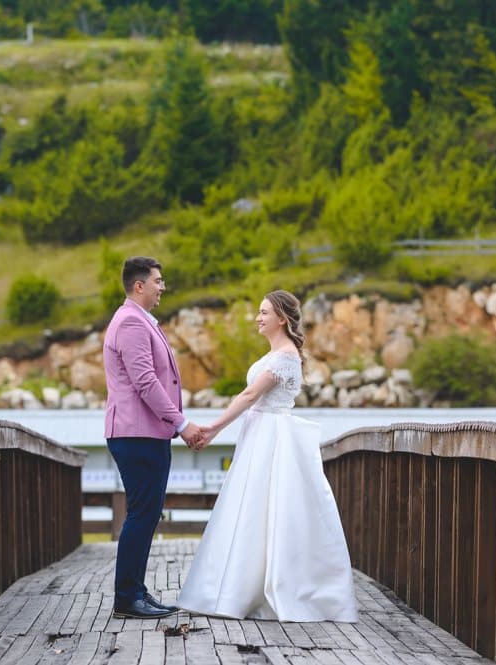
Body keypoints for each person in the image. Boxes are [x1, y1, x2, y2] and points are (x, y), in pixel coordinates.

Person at [177, 290, 359, 623]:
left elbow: (250, 395)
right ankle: (239, 585)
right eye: (259, 312)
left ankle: (264, 589)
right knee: (251, 509)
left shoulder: (286, 357)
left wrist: (213, 428)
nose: (258, 318)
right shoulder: (276, 354)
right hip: (258, 435)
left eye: (264, 312)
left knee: (269, 508)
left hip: (272, 439)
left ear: (282, 319)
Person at [103, 256, 203, 619]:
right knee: (142, 513)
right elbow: (145, 381)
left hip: (145, 433)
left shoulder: (139, 319)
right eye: (158, 281)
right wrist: (181, 423)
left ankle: (136, 590)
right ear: (139, 285)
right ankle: (127, 598)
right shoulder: (131, 321)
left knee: (145, 513)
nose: (162, 287)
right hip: (137, 433)